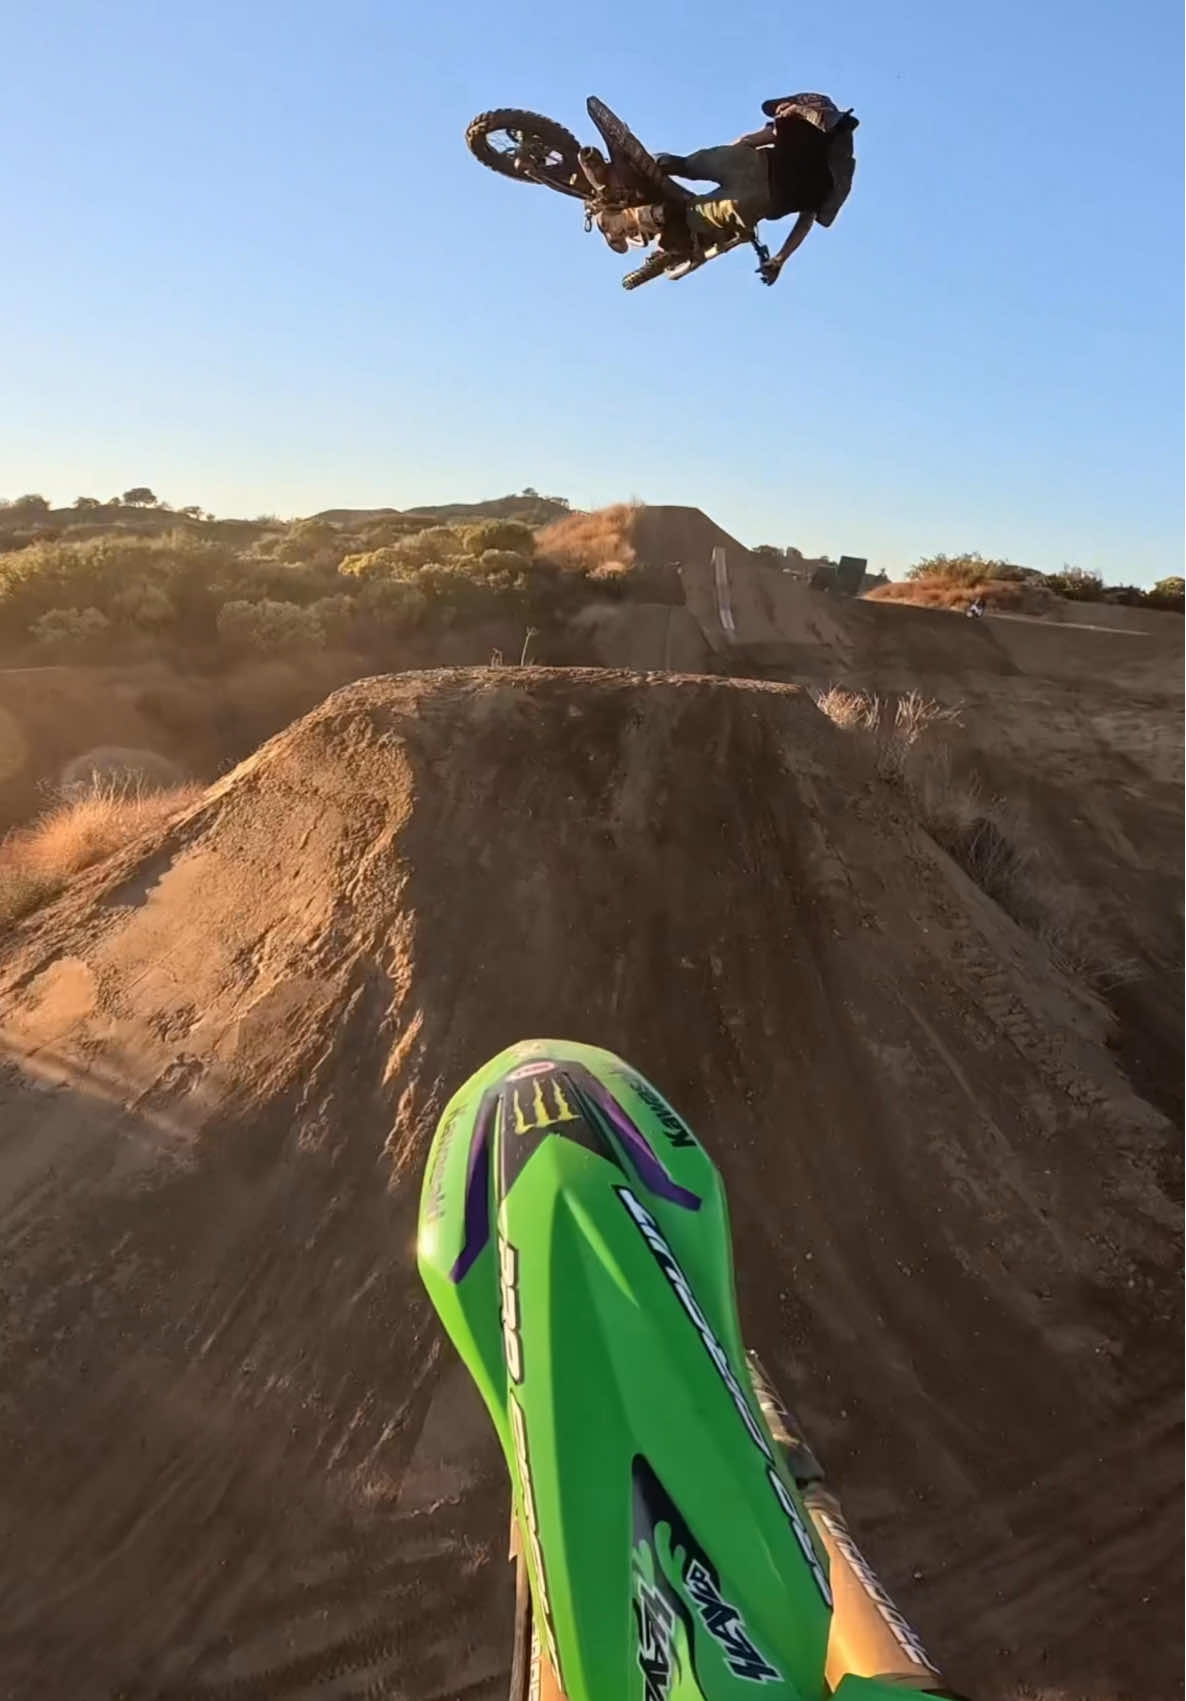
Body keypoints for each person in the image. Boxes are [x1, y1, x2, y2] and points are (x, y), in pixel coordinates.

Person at [598, 94, 857, 285]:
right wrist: (779, 259)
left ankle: (661, 169)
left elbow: (749, 141)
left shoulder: (797, 119)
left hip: (748, 165)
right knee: (690, 215)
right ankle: (673, 233)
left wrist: (716, 160)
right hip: (756, 200)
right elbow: (805, 223)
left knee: (686, 164)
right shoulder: (837, 177)